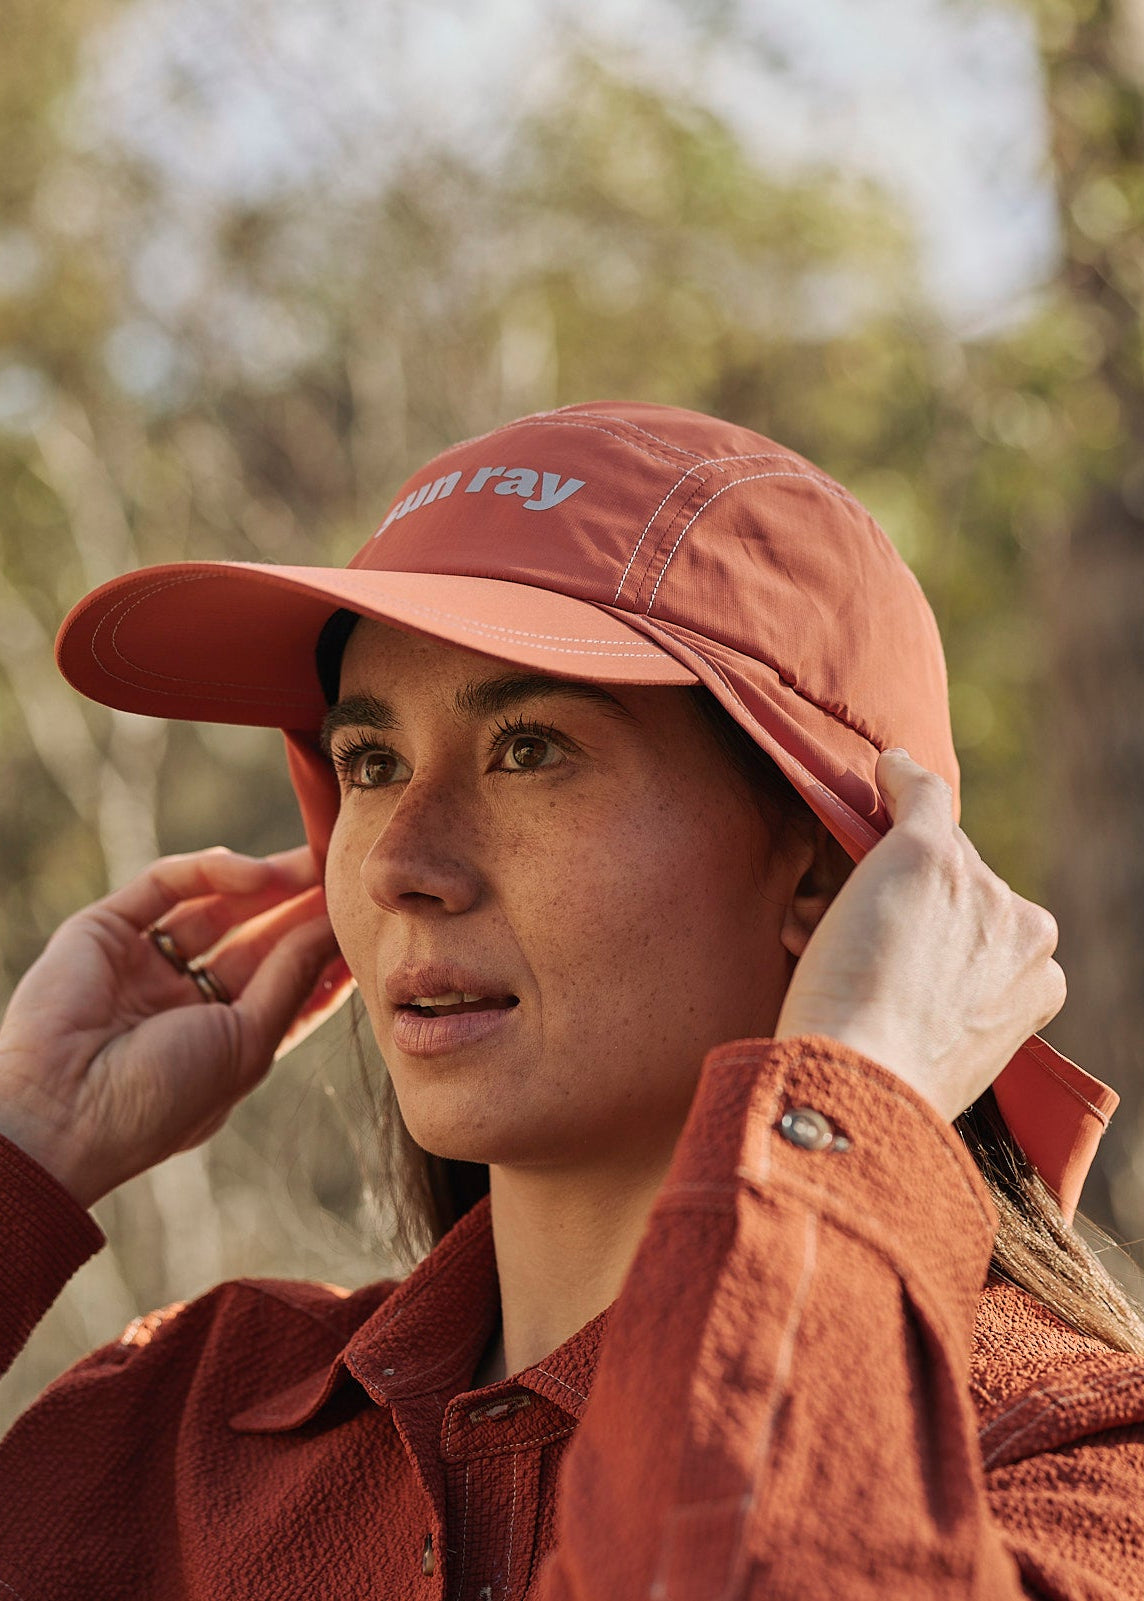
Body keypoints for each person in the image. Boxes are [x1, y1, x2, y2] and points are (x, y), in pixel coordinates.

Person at [1, 399, 1142, 1598]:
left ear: (825, 862)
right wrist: (26, 1145)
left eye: (530, 747)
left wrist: (853, 1106)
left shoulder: (1062, 1469)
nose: (397, 860)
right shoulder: (170, 1434)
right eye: (371, 762)